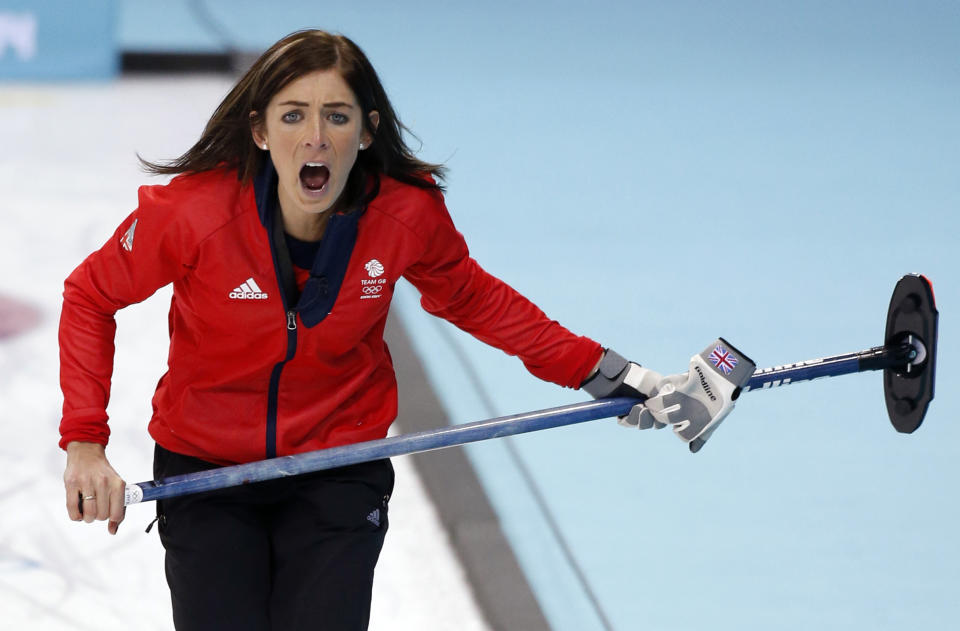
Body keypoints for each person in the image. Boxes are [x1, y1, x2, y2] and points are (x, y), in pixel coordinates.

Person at [59, 29, 755, 631]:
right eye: (294, 115)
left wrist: (608, 373)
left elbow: (478, 300)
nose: (316, 137)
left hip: (337, 467)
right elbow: (90, 294)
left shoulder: (404, 214)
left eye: (336, 117)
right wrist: (87, 444)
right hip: (206, 471)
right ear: (260, 130)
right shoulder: (192, 214)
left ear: (365, 131)